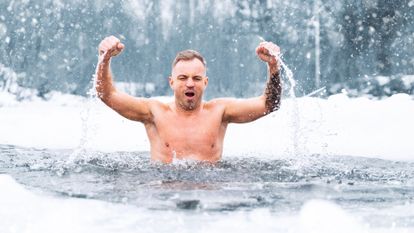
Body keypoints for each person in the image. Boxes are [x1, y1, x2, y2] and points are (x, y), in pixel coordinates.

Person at [96, 36, 282, 163]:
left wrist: (273, 67)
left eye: (197, 78)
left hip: (208, 192)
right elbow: (107, 94)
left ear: (206, 82)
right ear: (172, 82)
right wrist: (104, 59)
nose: (190, 84)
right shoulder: (154, 112)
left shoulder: (220, 112)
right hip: (164, 192)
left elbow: (269, 104)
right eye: (183, 78)